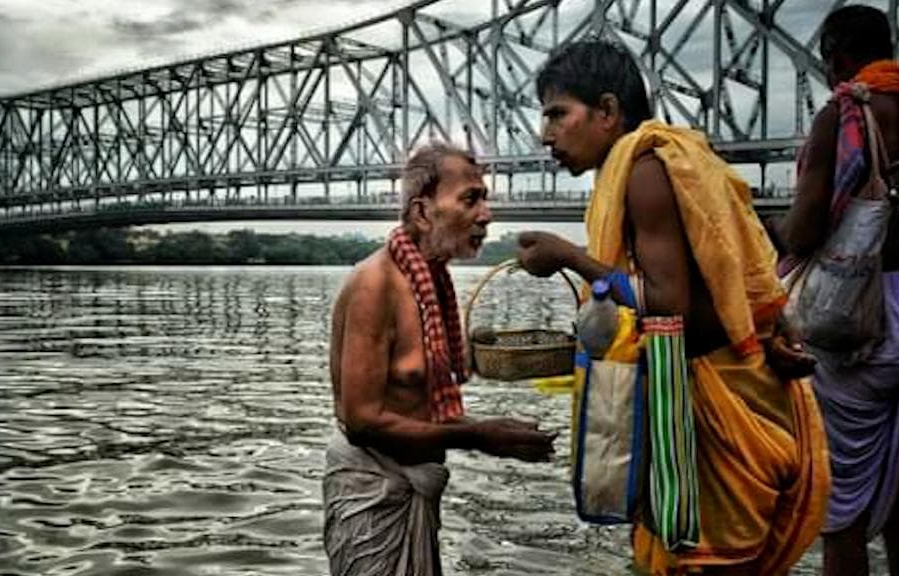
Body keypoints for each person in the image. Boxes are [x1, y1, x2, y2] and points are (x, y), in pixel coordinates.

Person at [516, 40, 830, 575]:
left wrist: (568, 256)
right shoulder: (667, 160)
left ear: (608, 112)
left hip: (716, 401)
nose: (545, 134)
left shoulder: (644, 171)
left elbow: (667, 304)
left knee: (706, 561)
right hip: (727, 387)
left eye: (557, 114)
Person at [777, 6, 899, 576]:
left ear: (835, 54)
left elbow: (807, 229)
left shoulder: (840, 117)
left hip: (858, 322)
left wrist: (763, 230)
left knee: (843, 514)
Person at [323, 143, 556, 576]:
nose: (486, 214)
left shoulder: (432, 283)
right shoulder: (375, 285)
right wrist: (478, 436)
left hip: (413, 487)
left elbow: (419, 396)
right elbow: (361, 420)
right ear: (423, 212)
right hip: (370, 495)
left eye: (484, 199)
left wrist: (495, 431)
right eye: (471, 199)